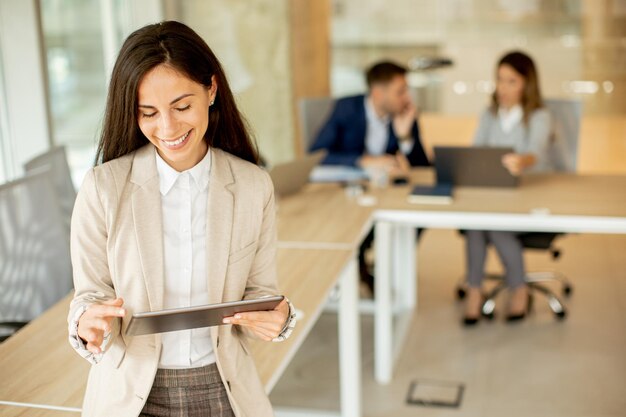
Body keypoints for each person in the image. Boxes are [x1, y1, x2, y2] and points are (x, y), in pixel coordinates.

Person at [67, 21, 296, 417]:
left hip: (224, 386)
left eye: (182, 106)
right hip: (129, 392)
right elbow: (89, 295)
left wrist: (280, 318)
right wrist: (86, 322)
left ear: (211, 90)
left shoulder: (253, 186)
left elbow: (260, 290)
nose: (168, 128)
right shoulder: (103, 188)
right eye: (148, 113)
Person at [310, 61, 430, 292]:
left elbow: (423, 166)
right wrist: (361, 160)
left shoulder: (404, 114)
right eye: (400, 91)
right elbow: (317, 154)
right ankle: (360, 266)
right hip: (349, 192)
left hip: (387, 191)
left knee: (417, 217)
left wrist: (405, 137)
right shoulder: (347, 108)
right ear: (377, 92)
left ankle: (387, 270)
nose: (406, 97)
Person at [463, 51, 553, 326]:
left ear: (527, 83)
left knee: (496, 226)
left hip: (528, 196)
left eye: (511, 81)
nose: (502, 88)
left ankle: (519, 289)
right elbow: (476, 150)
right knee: (476, 224)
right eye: (499, 80)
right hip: (492, 194)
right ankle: (474, 290)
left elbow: (534, 151)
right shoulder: (490, 114)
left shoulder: (539, 116)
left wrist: (521, 161)